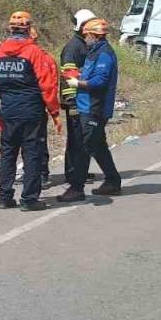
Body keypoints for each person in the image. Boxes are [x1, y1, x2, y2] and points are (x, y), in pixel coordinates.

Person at [0, 11, 61, 211]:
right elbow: (48, 86)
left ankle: (5, 196)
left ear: (10, 29)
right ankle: (29, 199)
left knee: (8, 154)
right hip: (32, 113)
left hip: (9, 112)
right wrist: (55, 113)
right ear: (28, 29)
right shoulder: (34, 53)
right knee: (32, 155)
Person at [58, 18, 123, 201]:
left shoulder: (104, 54)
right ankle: (113, 181)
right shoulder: (93, 52)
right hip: (86, 105)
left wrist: (78, 83)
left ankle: (77, 188)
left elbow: (100, 81)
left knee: (83, 147)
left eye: (87, 36)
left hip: (95, 108)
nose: (85, 39)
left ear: (94, 35)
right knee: (97, 146)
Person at [60, 9, 99, 187]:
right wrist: (71, 102)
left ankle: (79, 169)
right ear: (82, 26)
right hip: (75, 101)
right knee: (75, 138)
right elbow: (68, 76)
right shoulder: (73, 47)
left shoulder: (84, 44)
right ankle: (72, 173)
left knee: (81, 138)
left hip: (83, 100)